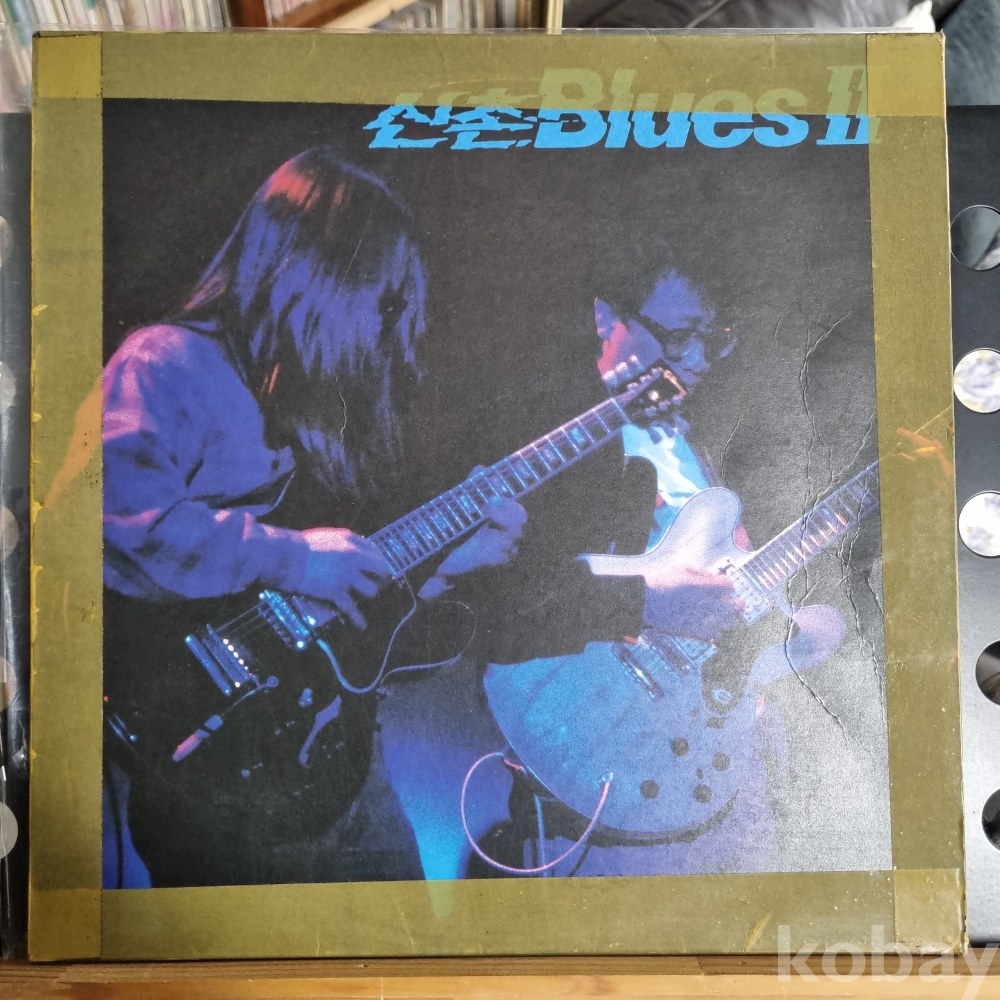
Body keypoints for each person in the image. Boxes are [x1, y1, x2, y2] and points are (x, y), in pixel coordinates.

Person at [101, 147, 744, 887]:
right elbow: (116, 529)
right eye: (380, 298)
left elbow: (361, 614)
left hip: (334, 757)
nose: (390, 325)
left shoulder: (311, 407)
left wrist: (446, 566)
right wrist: (296, 557)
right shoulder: (163, 365)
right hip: (211, 769)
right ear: (315, 275)